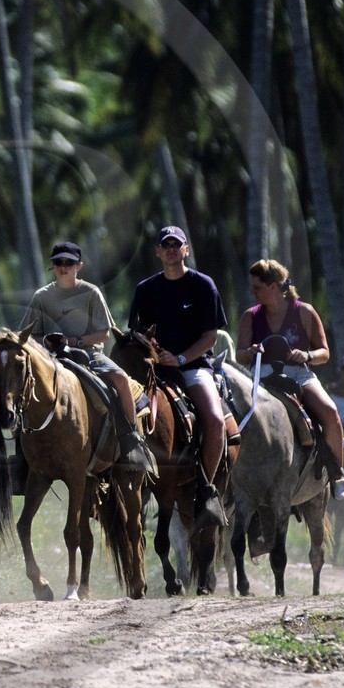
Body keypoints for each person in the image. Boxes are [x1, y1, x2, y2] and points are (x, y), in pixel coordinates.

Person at [20, 240, 156, 474]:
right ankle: (22, 457)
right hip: (51, 359)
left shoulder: (91, 292)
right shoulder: (41, 297)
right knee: (18, 392)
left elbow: (105, 334)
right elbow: (27, 334)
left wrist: (76, 341)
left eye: (69, 262)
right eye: (58, 262)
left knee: (122, 379)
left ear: (78, 266)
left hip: (89, 356)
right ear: (52, 266)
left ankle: (132, 440)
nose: (63, 267)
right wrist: (48, 341)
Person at [127, 225, 228, 526]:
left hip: (193, 367)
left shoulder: (202, 285)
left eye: (177, 244)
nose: (171, 248)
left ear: (186, 250)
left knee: (215, 419)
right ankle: (118, 482)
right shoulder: (145, 290)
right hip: (153, 370)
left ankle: (206, 489)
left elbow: (211, 336)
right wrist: (154, 355)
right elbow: (135, 334)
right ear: (158, 251)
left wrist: (181, 357)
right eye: (165, 244)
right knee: (119, 412)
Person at [233, 259, 344, 500]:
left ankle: (337, 475)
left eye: (257, 287)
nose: (252, 292)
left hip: (299, 374)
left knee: (330, 412)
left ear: (274, 286)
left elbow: (324, 353)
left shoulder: (304, 311)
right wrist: (251, 351)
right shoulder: (250, 316)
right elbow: (239, 354)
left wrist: (307, 354)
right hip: (263, 375)